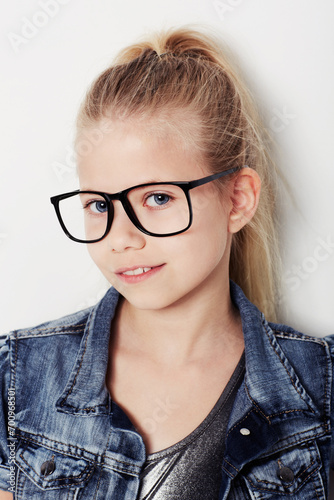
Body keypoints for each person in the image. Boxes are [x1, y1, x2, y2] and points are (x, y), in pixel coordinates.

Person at [0, 26, 333, 500]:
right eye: (99, 205)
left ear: (237, 199)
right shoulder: (17, 379)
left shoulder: (320, 386)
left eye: (157, 197)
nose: (122, 237)